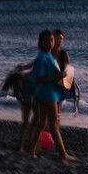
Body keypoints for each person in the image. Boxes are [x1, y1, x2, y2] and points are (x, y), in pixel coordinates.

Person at [29, 29, 75, 160]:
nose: (50, 42)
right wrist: (57, 76)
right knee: (54, 124)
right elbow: (37, 79)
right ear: (41, 42)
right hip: (47, 94)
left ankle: (32, 152)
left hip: (51, 93)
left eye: (51, 40)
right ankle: (63, 154)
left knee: (42, 123)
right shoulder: (42, 57)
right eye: (47, 40)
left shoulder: (49, 56)